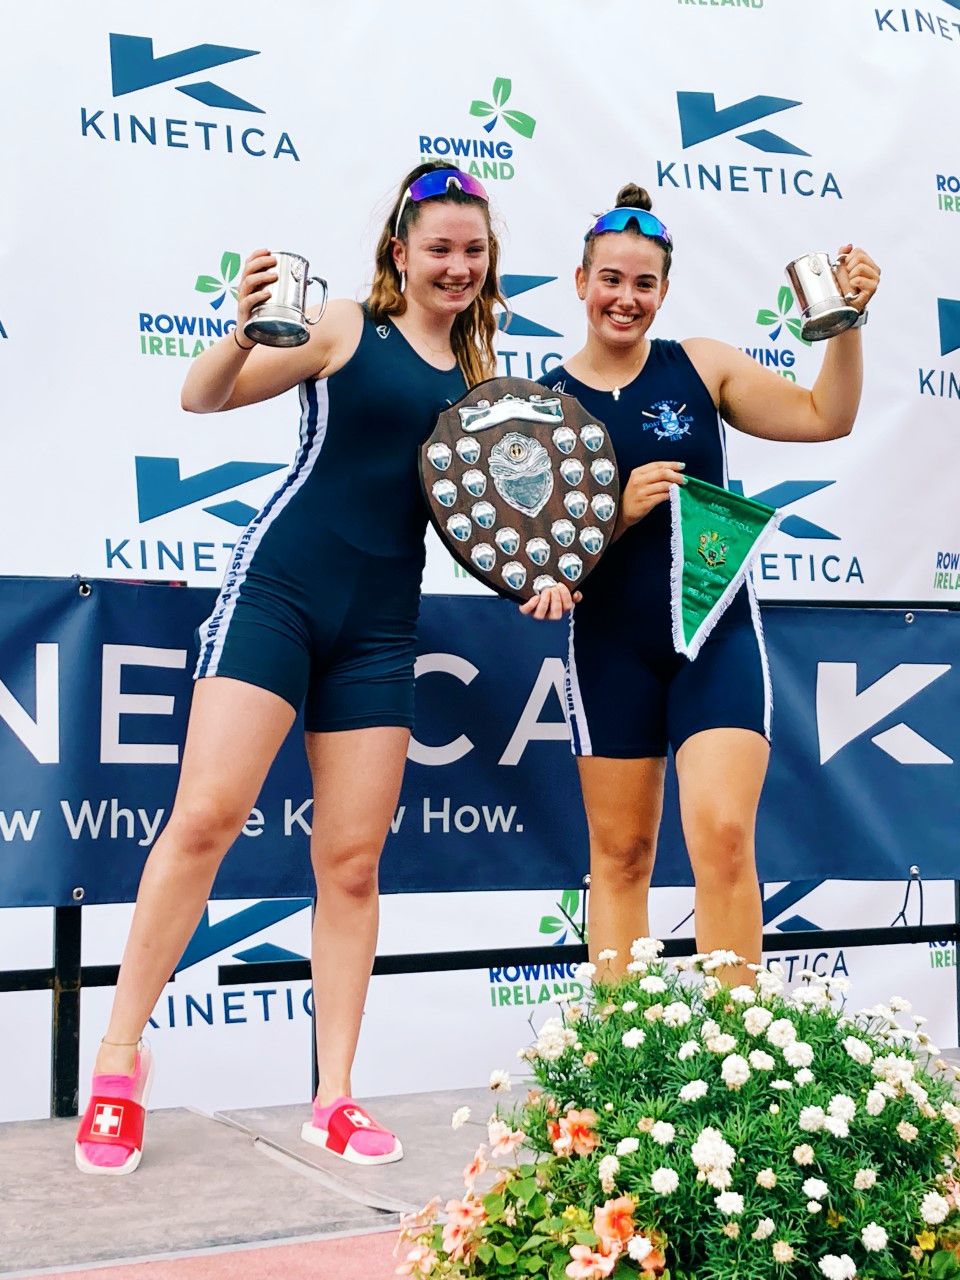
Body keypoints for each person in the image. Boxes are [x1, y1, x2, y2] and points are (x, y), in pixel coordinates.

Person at [75, 162, 510, 1174]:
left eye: (473, 251)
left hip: (382, 628)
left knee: (352, 866)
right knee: (205, 819)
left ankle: (335, 1095)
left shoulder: (485, 385)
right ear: (402, 251)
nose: (456, 265)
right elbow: (201, 397)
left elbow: (496, 535)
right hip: (279, 591)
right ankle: (117, 1067)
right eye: (439, 247)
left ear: (489, 266)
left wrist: (542, 579)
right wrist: (239, 327)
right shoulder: (347, 327)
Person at [528, 183, 880, 986]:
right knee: (621, 857)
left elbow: (828, 415)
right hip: (610, 647)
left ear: (664, 291)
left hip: (715, 636)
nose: (626, 298)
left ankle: (735, 1059)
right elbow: (544, 565)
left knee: (722, 836)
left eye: (644, 283)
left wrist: (846, 323)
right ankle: (618, 1065)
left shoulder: (702, 365)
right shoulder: (545, 405)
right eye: (610, 279)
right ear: (580, 281)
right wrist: (614, 515)